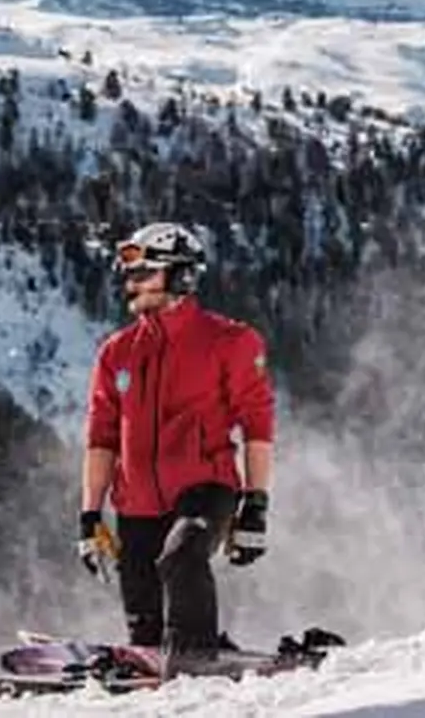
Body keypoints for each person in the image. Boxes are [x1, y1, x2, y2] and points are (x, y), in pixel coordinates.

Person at [76, 219, 275, 673]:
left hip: (206, 489)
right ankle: (165, 672)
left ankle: (195, 661)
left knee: (182, 558)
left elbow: (258, 427)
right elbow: (101, 438)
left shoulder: (230, 341)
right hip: (136, 505)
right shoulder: (117, 352)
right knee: (147, 630)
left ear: (182, 276)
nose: (132, 283)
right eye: (129, 274)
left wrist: (255, 508)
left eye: (144, 273)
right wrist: (90, 517)